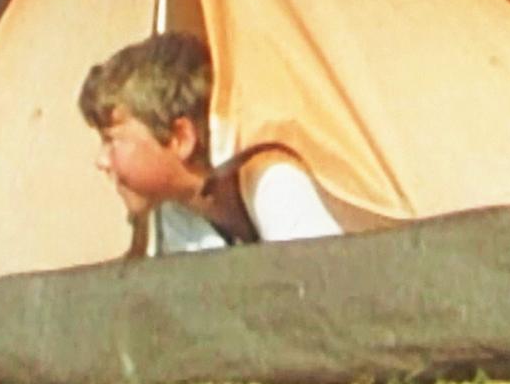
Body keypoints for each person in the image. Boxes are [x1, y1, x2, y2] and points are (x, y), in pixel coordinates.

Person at [78, 31, 344, 251]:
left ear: (180, 138)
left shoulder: (276, 183)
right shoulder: (175, 213)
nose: (101, 161)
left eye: (111, 140)